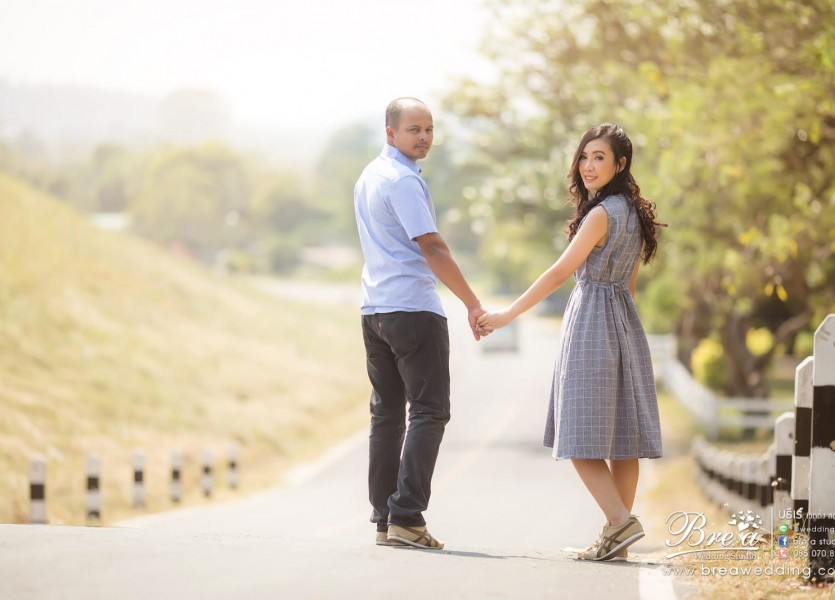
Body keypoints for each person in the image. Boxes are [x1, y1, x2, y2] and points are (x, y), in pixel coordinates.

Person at [477, 123, 663, 561]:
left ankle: (621, 523)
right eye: (584, 157)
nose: (588, 166)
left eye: (599, 157)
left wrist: (505, 315)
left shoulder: (600, 215)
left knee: (577, 434)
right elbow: (630, 286)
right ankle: (615, 539)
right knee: (623, 440)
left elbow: (560, 272)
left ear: (620, 165)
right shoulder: (634, 214)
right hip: (624, 325)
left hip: (592, 325)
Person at [354, 97, 487, 550]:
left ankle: (384, 519)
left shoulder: (369, 175)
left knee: (388, 415)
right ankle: (407, 517)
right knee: (429, 410)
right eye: (414, 129)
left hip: (374, 310)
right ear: (390, 132)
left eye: (429, 129)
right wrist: (472, 303)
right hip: (411, 308)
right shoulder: (403, 181)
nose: (424, 137)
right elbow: (432, 247)